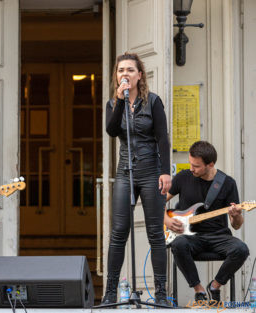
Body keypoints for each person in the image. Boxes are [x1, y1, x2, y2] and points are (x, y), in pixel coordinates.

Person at [102, 52, 171, 305]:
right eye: (121, 70)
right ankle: (110, 292)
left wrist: (166, 172)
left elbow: (163, 138)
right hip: (125, 172)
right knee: (119, 232)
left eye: (130, 70)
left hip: (151, 171)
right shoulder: (113, 104)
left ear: (139, 75)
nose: (125, 74)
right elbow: (111, 130)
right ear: (116, 76)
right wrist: (120, 101)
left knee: (155, 232)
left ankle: (161, 293)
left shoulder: (152, 102)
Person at [164, 141, 249, 303]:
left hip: (219, 237)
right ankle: (199, 290)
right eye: (190, 164)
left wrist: (236, 215)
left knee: (241, 249)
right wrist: (166, 219)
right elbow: (157, 201)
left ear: (210, 164)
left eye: (196, 166)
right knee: (178, 244)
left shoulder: (227, 183)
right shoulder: (183, 177)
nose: (191, 169)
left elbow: (236, 225)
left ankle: (214, 286)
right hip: (191, 238)